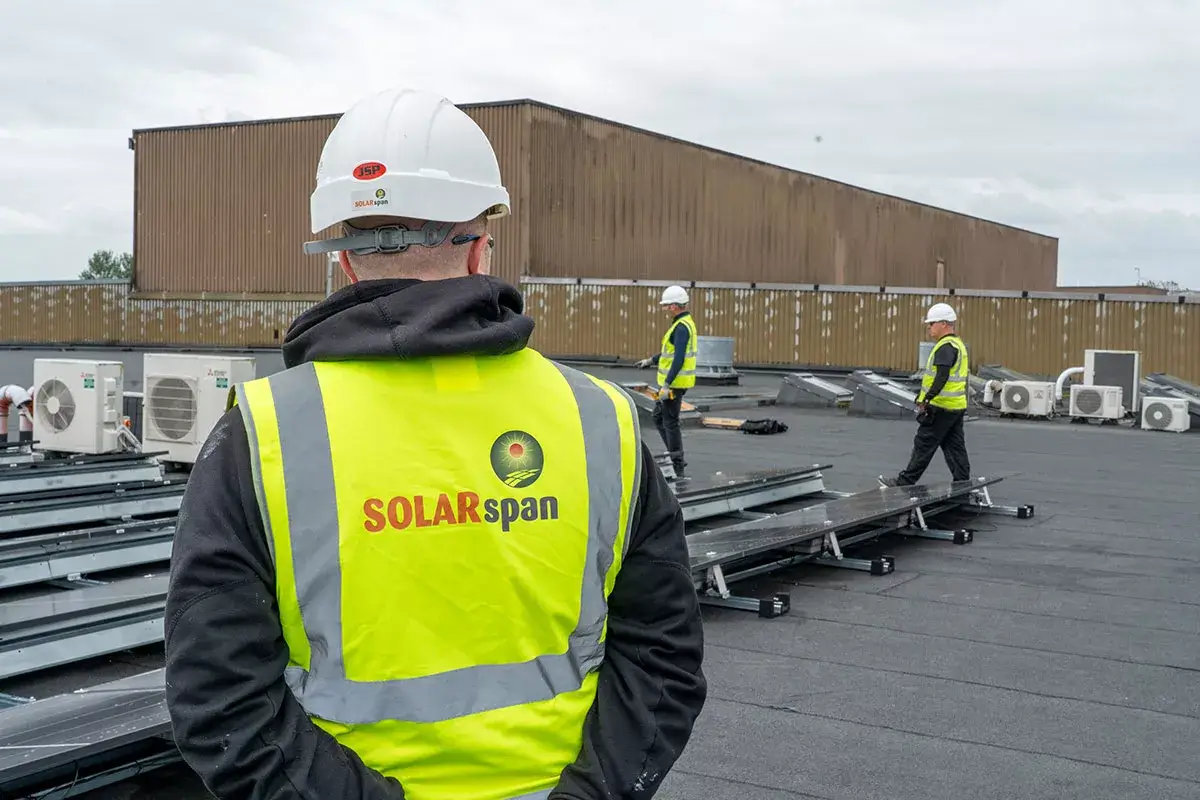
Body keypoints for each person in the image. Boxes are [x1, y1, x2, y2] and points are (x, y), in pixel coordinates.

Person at [163, 86, 706, 800]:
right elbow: (663, 660)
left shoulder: (258, 432)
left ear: (344, 260)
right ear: (482, 247)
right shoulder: (600, 419)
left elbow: (221, 701)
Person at [879, 302, 971, 488]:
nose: (929, 327)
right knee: (954, 447)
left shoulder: (945, 347)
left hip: (940, 406)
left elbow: (941, 376)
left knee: (924, 444)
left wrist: (927, 398)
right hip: (955, 406)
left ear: (944, 324)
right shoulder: (957, 345)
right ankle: (963, 483)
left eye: (932, 323)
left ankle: (904, 482)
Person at [634, 285, 697, 478]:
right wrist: (651, 360)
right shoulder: (683, 324)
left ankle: (677, 462)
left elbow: (678, 358)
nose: (664, 309)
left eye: (666, 305)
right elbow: (670, 353)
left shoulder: (681, 328)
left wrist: (667, 384)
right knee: (659, 417)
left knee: (670, 422)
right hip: (674, 383)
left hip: (674, 385)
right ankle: (675, 457)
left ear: (674, 306)